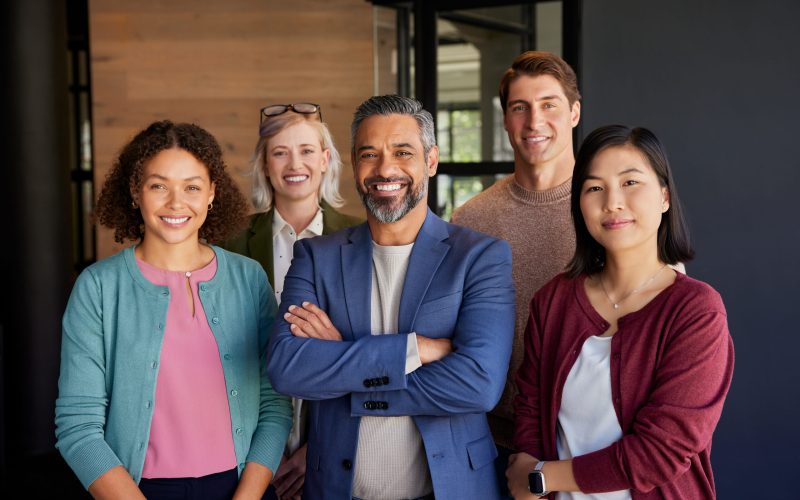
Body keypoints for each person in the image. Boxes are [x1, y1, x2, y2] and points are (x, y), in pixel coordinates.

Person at [266, 95, 515, 499]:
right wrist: (411, 350)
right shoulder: (316, 256)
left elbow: (480, 385)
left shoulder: (479, 257)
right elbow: (287, 367)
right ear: (354, 163)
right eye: (370, 154)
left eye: (403, 152)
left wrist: (345, 360)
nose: (385, 169)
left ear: (430, 161)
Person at [55, 120, 292, 499]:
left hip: (242, 488)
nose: (176, 203)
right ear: (136, 192)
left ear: (212, 192)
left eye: (192, 187)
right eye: (158, 186)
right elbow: (77, 427)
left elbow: (275, 403)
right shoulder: (98, 288)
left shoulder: (248, 279)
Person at [506, 125, 734, 499]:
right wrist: (530, 468)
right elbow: (530, 406)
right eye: (594, 188)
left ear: (664, 196)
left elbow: (661, 451)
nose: (612, 202)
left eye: (630, 183)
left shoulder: (696, 310)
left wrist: (542, 477)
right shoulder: (553, 300)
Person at [450, 50, 582, 492]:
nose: (534, 121)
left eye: (549, 105)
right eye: (519, 108)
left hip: (588, 440)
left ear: (574, 113)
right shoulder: (471, 219)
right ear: (505, 119)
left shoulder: (605, 207)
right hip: (493, 443)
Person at [223, 102, 362, 499]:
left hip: (336, 436)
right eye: (279, 152)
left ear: (325, 160)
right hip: (247, 438)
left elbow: (368, 349)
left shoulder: (362, 238)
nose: (293, 163)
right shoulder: (230, 243)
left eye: (305, 150)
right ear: (265, 165)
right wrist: (264, 456)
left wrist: (315, 448)